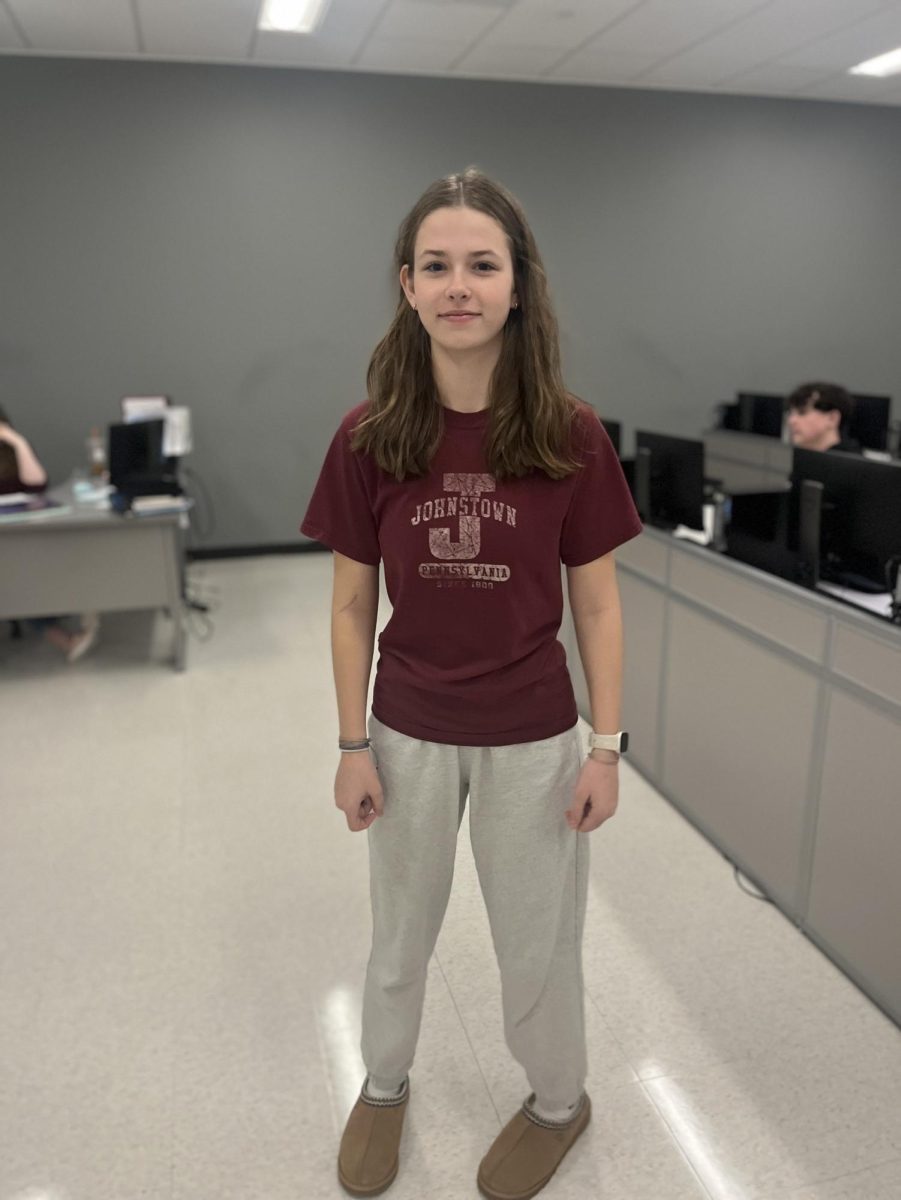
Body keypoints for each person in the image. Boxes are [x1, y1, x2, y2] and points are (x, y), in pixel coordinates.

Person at [301, 168, 642, 1200]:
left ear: (516, 285)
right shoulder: (371, 434)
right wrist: (351, 744)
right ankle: (386, 1084)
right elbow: (353, 605)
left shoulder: (569, 434)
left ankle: (556, 1100)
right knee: (398, 937)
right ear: (407, 286)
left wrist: (605, 747)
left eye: (481, 265)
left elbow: (598, 607)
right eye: (437, 265)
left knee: (536, 948)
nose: (460, 285)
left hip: (533, 736)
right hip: (406, 733)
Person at [0, 405, 99, 662]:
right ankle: (63, 639)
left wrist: (16, 441)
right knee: (11, 579)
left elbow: (37, 483)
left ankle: (83, 602)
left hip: (22, 532)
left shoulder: (12, 450)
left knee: (47, 561)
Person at [786, 382, 862, 453]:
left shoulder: (855, 465)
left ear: (832, 418)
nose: (791, 420)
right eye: (791, 414)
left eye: (802, 413)